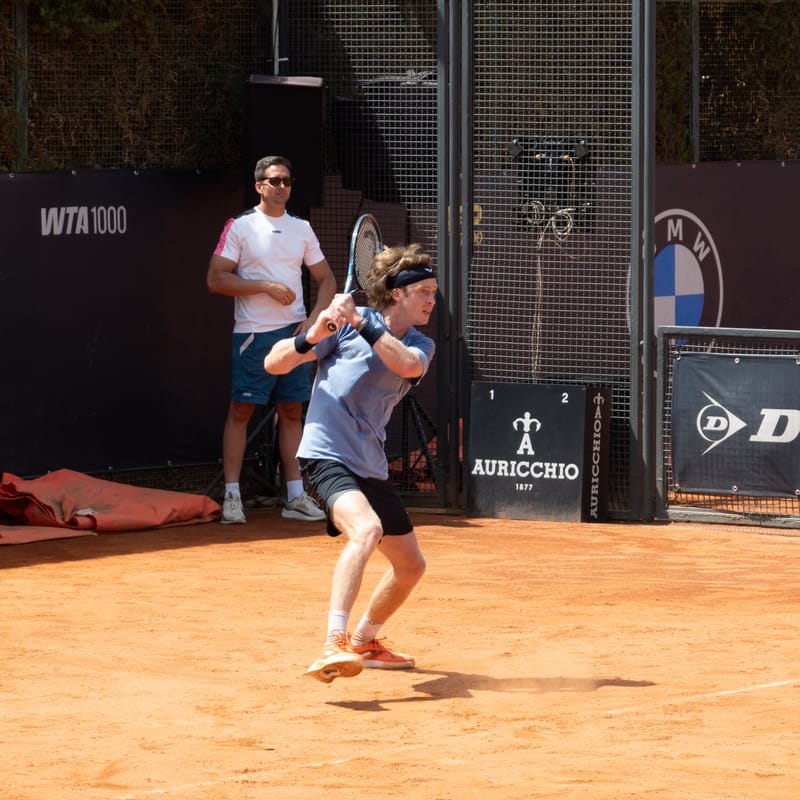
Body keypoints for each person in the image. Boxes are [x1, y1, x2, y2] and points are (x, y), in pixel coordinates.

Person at [264, 243, 437, 683]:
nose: (432, 300)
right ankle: (333, 643)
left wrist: (360, 322)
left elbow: (405, 365)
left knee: (411, 566)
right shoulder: (342, 327)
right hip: (324, 455)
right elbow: (274, 363)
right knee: (367, 530)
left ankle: (364, 640)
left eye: (434, 292)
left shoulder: (419, 343)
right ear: (397, 294)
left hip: (369, 463)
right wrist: (315, 333)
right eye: (424, 292)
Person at [207, 155, 336, 525]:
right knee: (241, 411)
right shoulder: (241, 227)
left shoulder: (302, 229)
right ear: (259, 185)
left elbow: (326, 279)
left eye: (287, 181)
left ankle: (295, 496)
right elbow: (216, 279)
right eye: (274, 181)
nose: (282, 187)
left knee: (292, 411)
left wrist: (313, 321)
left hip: (294, 335)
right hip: (253, 334)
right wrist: (264, 286)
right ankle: (232, 496)